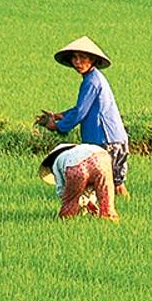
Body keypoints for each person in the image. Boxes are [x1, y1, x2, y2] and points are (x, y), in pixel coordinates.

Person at [36, 36, 131, 197]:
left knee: (108, 185)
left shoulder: (91, 82)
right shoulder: (93, 78)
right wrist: (61, 115)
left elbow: (80, 112)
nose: (77, 62)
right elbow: (81, 108)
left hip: (106, 140)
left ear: (92, 60)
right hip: (114, 139)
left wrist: (58, 126)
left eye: (82, 58)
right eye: (74, 58)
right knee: (114, 183)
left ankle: (111, 213)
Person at [39, 143, 118, 221]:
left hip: (75, 166)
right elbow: (91, 186)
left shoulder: (56, 162)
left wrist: (66, 198)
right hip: (102, 158)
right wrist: (89, 201)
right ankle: (108, 217)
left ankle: (67, 221)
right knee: (105, 195)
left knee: (70, 201)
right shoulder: (81, 148)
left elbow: (61, 188)